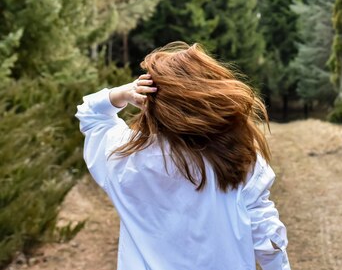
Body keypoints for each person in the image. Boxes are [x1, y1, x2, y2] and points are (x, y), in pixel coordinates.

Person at [75, 42, 290, 270]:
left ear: (150, 99)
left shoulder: (124, 158)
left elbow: (90, 115)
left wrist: (124, 93)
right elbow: (266, 233)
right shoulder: (237, 156)